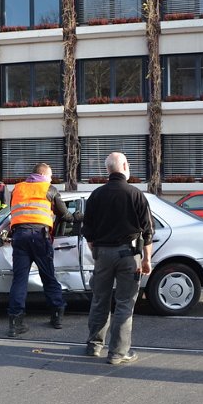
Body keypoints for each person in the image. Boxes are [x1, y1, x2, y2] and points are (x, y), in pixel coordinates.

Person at [81, 153, 153, 364]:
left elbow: (88, 231)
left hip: (103, 254)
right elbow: (148, 231)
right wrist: (147, 259)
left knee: (100, 300)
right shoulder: (136, 194)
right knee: (124, 303)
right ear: (124, 166)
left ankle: (94, 346)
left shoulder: (96, 195)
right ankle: (118, 353)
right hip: (129, 255)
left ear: (107, 170)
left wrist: (97, 253)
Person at [6, 163, 81, 337]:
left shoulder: (17, 188)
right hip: (40, 237)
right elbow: (64, 215)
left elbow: (15, 212)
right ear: (43, 174)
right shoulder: (49, 189)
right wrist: (78, 217)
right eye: (50, 176)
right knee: (47, 276)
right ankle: (57, 315)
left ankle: (15, 323)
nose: (50, 179)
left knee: (19, 279)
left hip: (19, 237)